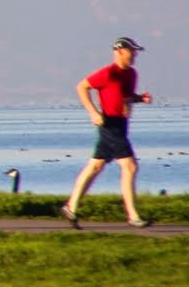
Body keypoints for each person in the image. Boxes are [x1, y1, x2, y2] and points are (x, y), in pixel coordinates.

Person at [60, 38, 154, 228]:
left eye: (136, 52)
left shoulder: (131, 74)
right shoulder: (108, 73)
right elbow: (81, 87)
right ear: (120, 52)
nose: (135, 55)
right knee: (130, 166)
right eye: (132, 51)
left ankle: (71, 207)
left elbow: (125, 97)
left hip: (121, 125)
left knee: (95, 166)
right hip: (108, 124)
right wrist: (93, 112)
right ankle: (133, 216)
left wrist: (139, 99)